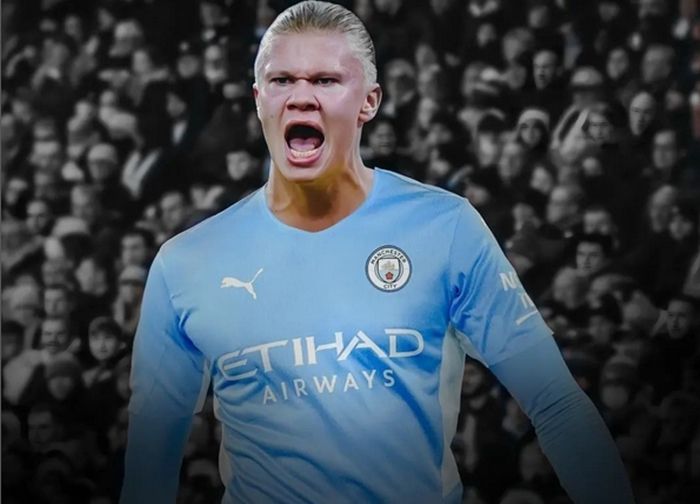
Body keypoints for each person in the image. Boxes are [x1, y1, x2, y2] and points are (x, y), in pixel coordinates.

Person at [121, 2, 634, 504]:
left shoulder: (445, 227)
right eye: (282, 80)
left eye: (326, 80)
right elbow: (150, 461)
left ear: (369, 101)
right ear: (259, 100)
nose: (301, 98)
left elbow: (555, 402)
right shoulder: (187, 263)